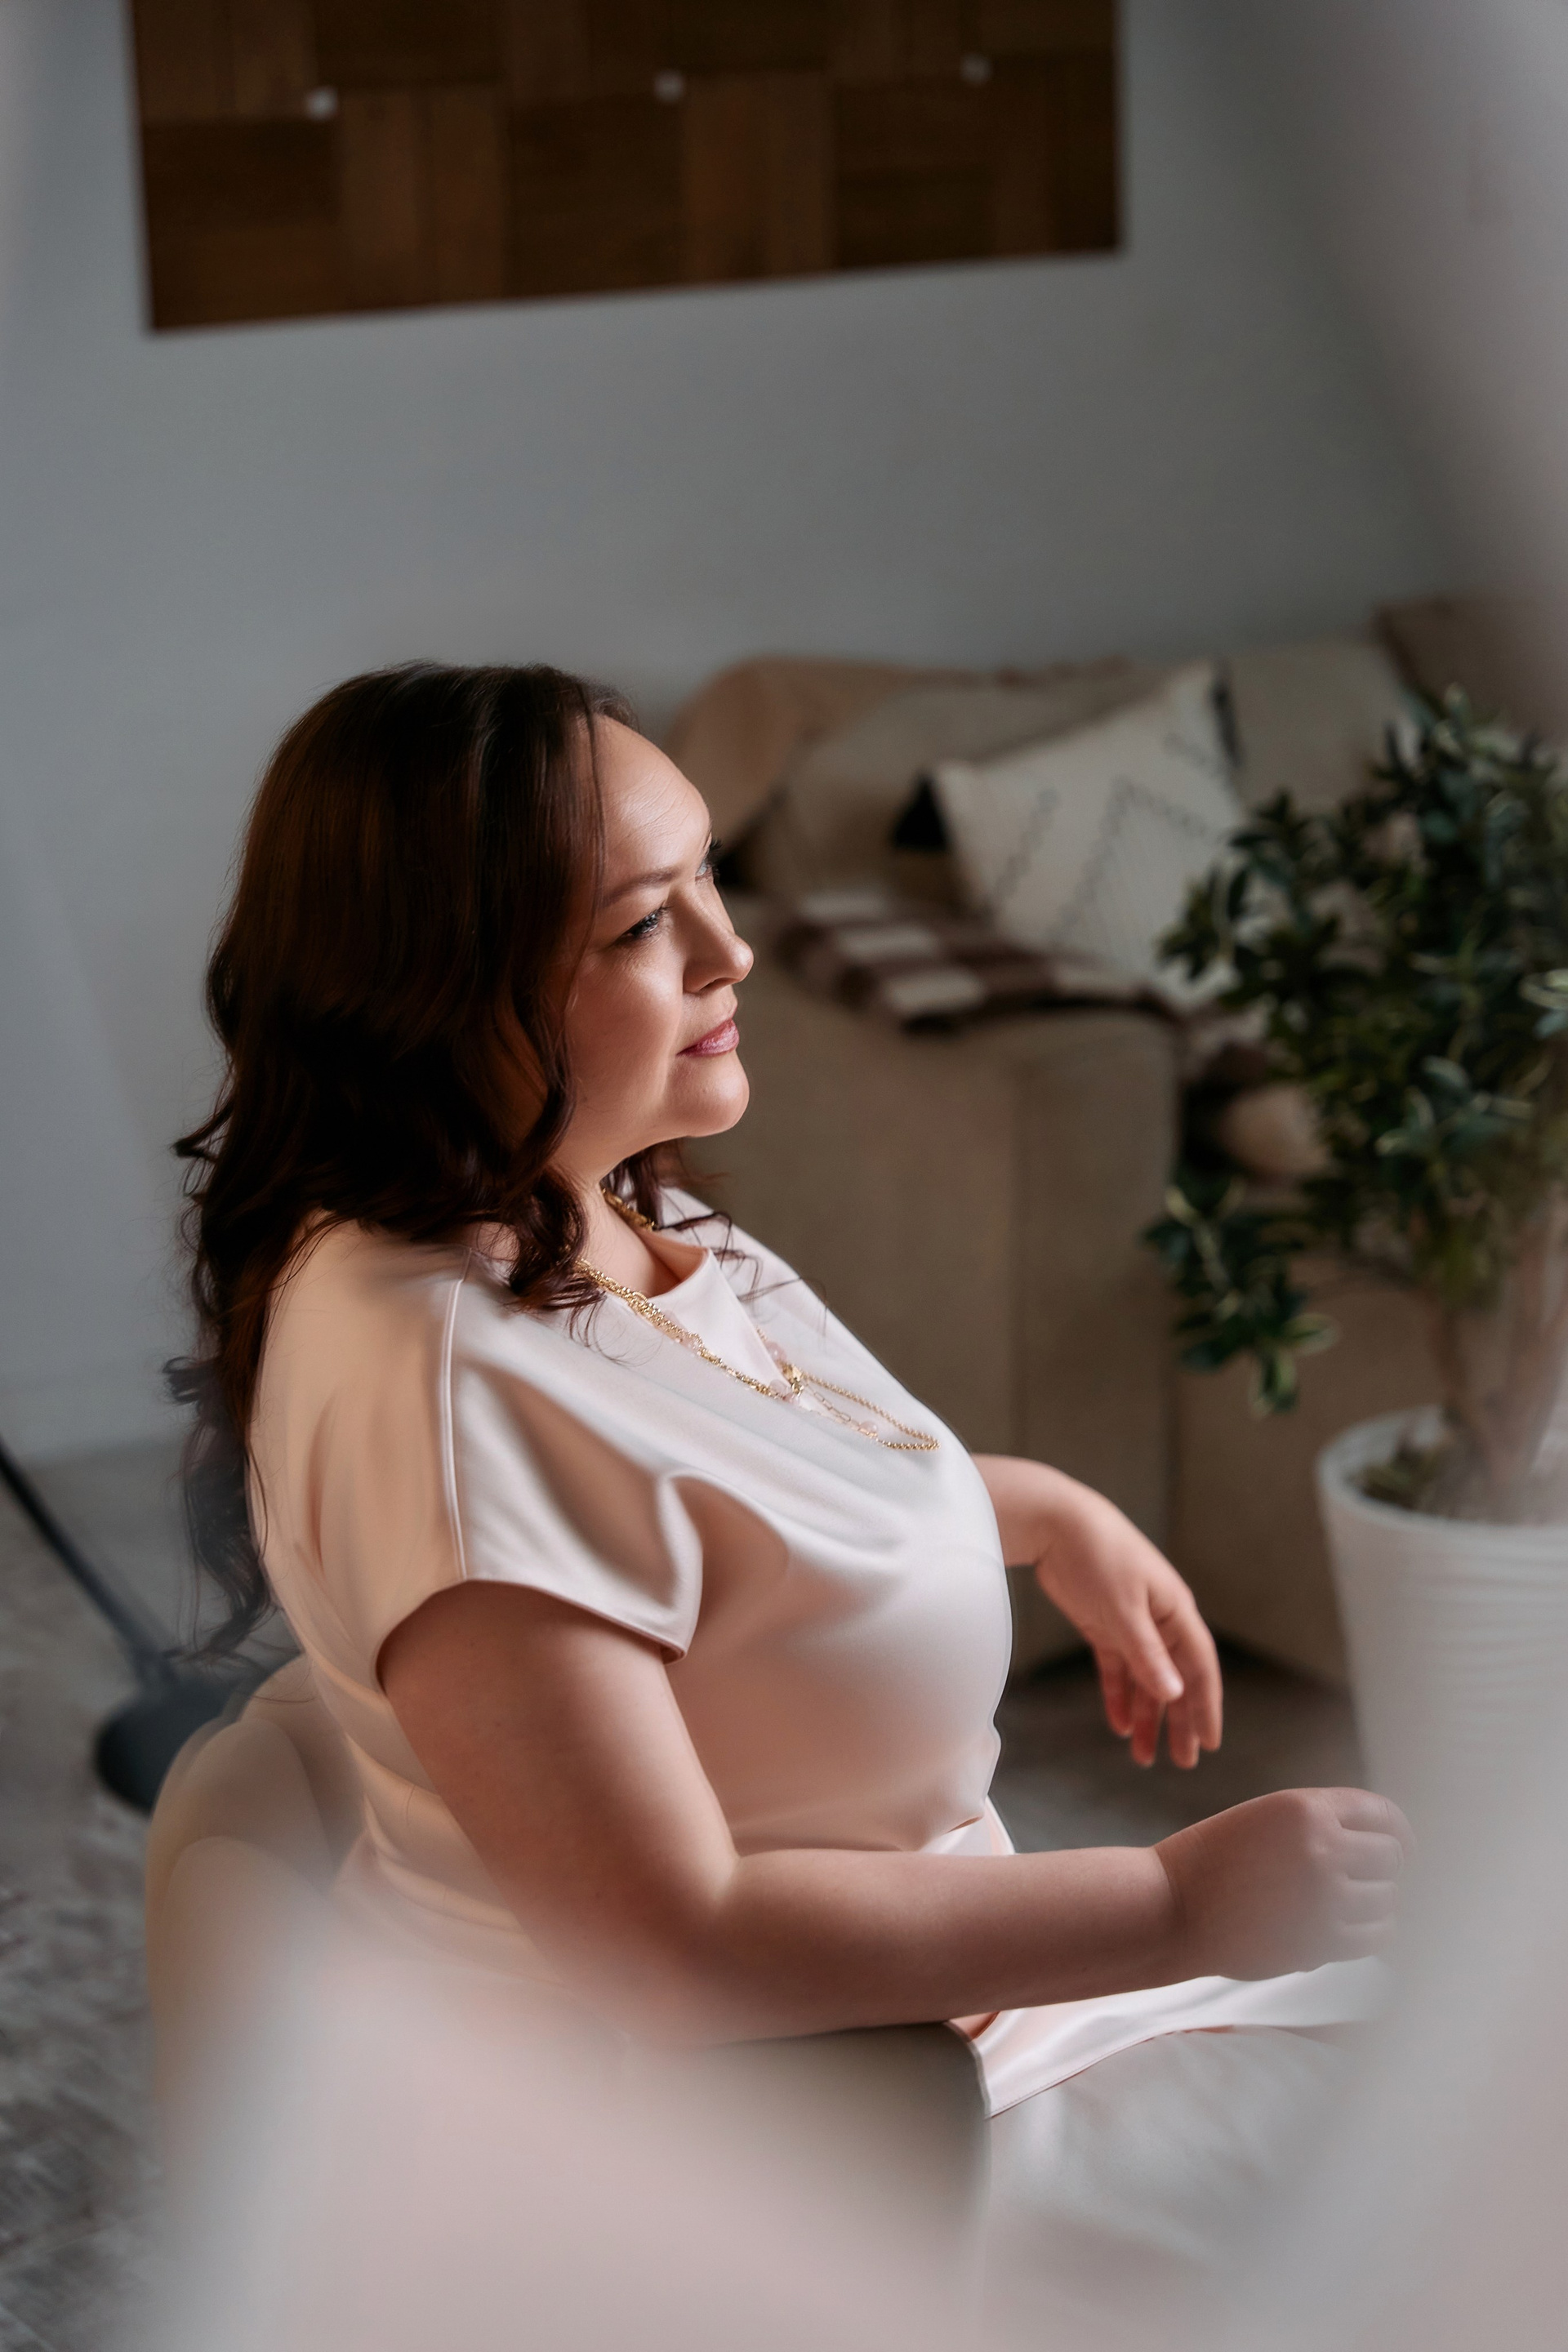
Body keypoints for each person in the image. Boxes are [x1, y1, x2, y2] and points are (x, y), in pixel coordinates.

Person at [173, 662, 1410, 2289]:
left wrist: (1042, 1509)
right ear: (434, 994)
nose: (730, 946)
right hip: (786, 2131)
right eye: (641, 923)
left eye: (707, 875)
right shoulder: (441, 1384)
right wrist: (1179, 1901)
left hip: (922, 2019)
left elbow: (725, 1490)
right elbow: (671, 1951)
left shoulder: (595, 1206)